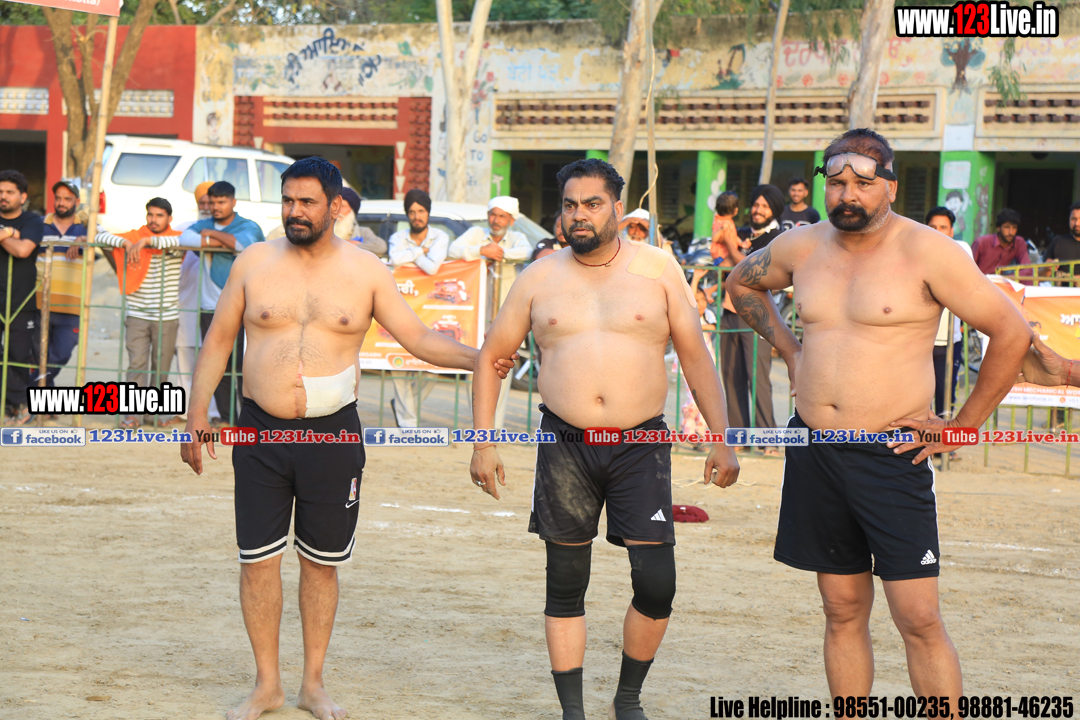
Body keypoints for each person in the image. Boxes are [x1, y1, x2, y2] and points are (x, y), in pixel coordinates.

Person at [180, 157, 516, 720]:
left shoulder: (366, 271)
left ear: (334, 206)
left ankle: (312, 684)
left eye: (307, 202)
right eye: (288, 200)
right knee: (257, 561)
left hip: (333, 435)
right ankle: (267, 685)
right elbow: (217, 342)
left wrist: (479, 357)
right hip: (259, 430)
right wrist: (196, 416)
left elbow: (417, 338)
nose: (294, 211)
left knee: (321, 562)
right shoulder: (253, 262)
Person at [725, 128, 1031, 706]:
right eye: (836, 182)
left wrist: (964, 425)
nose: (848, 194)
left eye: (863, 183)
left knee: (917, 617)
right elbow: (740, 283)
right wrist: (790, 350)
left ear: (889, 185)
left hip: (892, 452)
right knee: (841, 609)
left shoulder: (928, 252)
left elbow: (1011, 332)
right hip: (816, 449)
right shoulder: (801, 246)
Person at [469, 158, 740, 720]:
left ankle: (627, 697)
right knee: (566, 581)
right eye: (570, 204)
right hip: (565, 444)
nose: (580, 215)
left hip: (640, 445)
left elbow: (696, 357)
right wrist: (483, 442)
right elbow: (492, 357)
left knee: (657, 583)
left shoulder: (657, 269)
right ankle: (573, 711)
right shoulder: (538, 277)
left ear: (617, 207)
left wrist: (722, 438)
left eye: (592, 204)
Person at [90, 198, 184, 428]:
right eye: (150, 214)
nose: (154, 219)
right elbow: (99, 236)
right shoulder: (134, 236)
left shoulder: (177, 239)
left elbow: (182, 241)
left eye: (159, 215)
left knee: (161, 367)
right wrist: (127, 244)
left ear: (169, 218)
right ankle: (132, 415)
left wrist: (146, 242)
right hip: (137, 314)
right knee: (136, 365)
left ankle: (154, 414)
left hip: (167, 316)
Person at [180, 181, 265, 424]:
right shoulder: (202, 225)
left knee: (244, 367)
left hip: (243, 308)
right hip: (211, 307)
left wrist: (212, 236)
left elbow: (244, 244)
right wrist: (222, 241)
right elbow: (185, 239)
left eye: (221, 202)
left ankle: (247, 422)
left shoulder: (247, 226)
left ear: (233, 202)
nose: (216, 207)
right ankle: (227, 420)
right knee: (217, 364)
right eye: (213, 202)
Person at [449, 196, 532, 430]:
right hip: (475, 314)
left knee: (502, 368)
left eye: (502, 216)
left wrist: (500, 254)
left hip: (505, 317)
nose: (496, 220)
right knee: (474, 366)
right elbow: (453, 249)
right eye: (493, 215)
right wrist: (482, 250)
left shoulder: (517, 238)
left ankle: (495, 427)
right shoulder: (476, 233)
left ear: (511, 220)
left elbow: (526, 252)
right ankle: (478, 424)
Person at [719, 184, 785, 454]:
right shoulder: (742, 233)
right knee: (730, 375)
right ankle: (738, 438)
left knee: (757, 377)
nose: (758, 210)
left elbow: (750, 271)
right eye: (756, 205)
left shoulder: (777, 239)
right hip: (729, 312)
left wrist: (729, 245)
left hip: (757, 316)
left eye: (764, 207)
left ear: (774, 211)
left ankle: (768, 439)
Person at [387, 188, 449, 428]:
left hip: (432, 310)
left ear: (428, 213)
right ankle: (408, 424)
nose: (417, 216)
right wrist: (421, 251)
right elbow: (395, 258)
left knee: (433, 367)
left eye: (421, 211)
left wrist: (411, 256)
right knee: (399, 365)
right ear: (407, 214)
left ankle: (404, 407)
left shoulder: (440, 237)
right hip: (403, 307)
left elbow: (433, 269)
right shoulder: (398, 237)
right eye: (412, 212)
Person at [0, 169, 45, 423]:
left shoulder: (33, 221)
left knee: (18, 355)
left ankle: (18, 404)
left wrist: (3, 234)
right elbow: (17, 245)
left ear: (23, 196)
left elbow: (23, 251)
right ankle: (8, 405)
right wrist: (10, 234)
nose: (3, 196)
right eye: (0, 192)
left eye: (9, 192)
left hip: (21, 300)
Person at [174, 181, 220, 423]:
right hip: (185, 305)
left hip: (214, 307)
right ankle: (184, 412)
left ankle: (214, 413)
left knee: (213, 359)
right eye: (203, 202)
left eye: (211, 202)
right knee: (185, 356)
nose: (206, 206)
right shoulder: (185, 229)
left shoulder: (227, 232)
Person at [35, 180, 88, 388]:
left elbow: (109, 240)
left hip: (71, 306)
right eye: (58, 198)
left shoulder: (88, 228)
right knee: (36, 355)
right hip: (39, 302)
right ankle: (43, 396)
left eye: (67, 199)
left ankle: (33, 389)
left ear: (77, 201)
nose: (61, 203)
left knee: (61, 353)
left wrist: (85, 238)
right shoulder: (39, 224)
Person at [925, 206, 973, 423]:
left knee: (945, 400)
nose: (937, 231)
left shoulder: (961, 249)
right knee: (918, 399)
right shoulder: (916, 250)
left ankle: (942, 439)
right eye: (933, 227)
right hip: (919, 340)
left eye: (943, 227)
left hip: (948, 341)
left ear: (952, 231)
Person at [972, 208, 1032, 281]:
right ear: (998, 228)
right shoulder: (982, 243)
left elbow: (1027, 269)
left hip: (1000, 283)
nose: (1011, 232)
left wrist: (1006, 279)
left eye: (1014, 228)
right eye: (1007, 227)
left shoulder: (1018, 242)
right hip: (978, 282)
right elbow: (967, 268)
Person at [336, 187, 388, 257]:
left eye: (342, 206)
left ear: (352, 211)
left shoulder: (362, 233)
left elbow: (381, 247)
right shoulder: (325, 230)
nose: (337, 210)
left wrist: (352, 245)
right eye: (335, 206)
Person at [1044, 201, 1080, 275]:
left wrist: (1073, 279)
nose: (1077, 223)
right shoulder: (1058, 242)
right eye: (1073, 219)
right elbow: (1040, 276)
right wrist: (1047, 268)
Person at [709, 191, 744, 266]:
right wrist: (721, 229)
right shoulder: (719, 222)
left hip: (728, 255)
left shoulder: (729, 222)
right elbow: (714, 239)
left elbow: (733, 236)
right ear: (736, 211)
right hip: (720, 257)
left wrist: (741, 243)